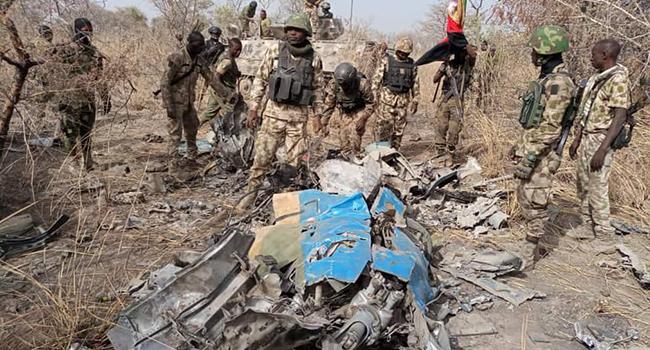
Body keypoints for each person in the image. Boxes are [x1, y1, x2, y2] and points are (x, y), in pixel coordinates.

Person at [238, 14, 324, 211]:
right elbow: (260, 80)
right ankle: (250, 196)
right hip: (273, 116)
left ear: (305, 33)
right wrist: (254, 108)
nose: (292, 32)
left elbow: (319, 89)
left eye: (297, 29)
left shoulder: (314, 59)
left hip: (298, 120)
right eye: (289, 29)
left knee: (294, 165)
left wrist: (318, 116)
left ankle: (285, 205)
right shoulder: (275, 51)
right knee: (261, 159)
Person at [509, 26, 575, 270]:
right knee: (524, 197)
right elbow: (535, 122)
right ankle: (534, 244)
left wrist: (529, 157)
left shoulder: (560, 84)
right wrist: (519, 146)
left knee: (536, 203)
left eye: (535, 51)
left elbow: (551, 128)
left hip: (543, 155)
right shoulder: (546, 80)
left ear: (546, 53)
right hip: (532, 149)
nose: (532, 55)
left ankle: (529, 254)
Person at [568, 39, 632, 240]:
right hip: (588, 136)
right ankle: (587, 225)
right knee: (583, 183)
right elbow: (587, 110)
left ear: (605, 55)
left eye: (594, 54)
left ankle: (604, 234)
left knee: (598, 186)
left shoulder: (618, 80)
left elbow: (620, 116)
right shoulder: (597, 77)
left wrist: (603, 149)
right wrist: (577, 138)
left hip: (601, 138)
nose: (591, 57)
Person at [160, 31, 231, 180]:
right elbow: (165, 82)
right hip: (175, 103)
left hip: (188, 103)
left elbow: (211, 79)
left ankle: (191, 159)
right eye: (198, 46)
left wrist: (229, 95)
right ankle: (173, 168)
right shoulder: (177, 57)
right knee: (175, 135)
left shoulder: (199, 60)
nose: (201, 48)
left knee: (192, 129)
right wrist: (169, 105)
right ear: (189, 43)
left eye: (202, 46)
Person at [55, 18, 111, 172]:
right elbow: (54, 74)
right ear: (77, 29)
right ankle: (73, 162)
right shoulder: (64, 50)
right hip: (69, 99)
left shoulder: (93, 52)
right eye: (85, 29)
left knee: (86, 131)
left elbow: (99, 76)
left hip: (87, 99)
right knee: (70, 133)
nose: (88, 32)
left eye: (90, 29)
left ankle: (88, 161)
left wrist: (106, 98)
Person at [371, 37, 419, 150]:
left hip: (403, 102)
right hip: (386, 101)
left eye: (406, 53)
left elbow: (415, 83)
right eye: (402, 52)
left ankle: (395, 151)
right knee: (384, 128)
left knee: (399, 130)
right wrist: (373, 97)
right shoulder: (387, 61)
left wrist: (415, 100)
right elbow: (376, 79)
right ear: (397, 50)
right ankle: (382, 152)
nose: (404, 54)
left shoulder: (412, 64)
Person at [318, 62, 376, 155]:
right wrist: (324, 123)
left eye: (346, 84)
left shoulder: (362, 84)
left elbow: (371, 104)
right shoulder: (334, 84)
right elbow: (329, 105)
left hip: (359, 111)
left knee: (354, 140)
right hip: (344, 112)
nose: (344, 87)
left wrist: (363, 118)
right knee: (344, 141)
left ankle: (354, 157)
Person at [432, 44, 476, 163]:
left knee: (454, 129)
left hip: (458, 101)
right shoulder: (448, 64)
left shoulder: (468, 65)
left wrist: (461, 40)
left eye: (462, 52)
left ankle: (450, 153)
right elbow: (435, 79)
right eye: (457, 52)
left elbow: (473, 55)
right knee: (440, 127)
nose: (459, 55)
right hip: (445, 99)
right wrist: (441, 70)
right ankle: (440, 154)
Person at [200, 38, 243, 126]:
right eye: (236, 50)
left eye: (240, 50)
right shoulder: (227, 61)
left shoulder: (231, 58)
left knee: (209, 114)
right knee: (231, 112)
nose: (238, 52)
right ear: (230, 48)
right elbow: (216, 76)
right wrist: (223, 93)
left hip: (222, 91)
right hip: (222, 92)